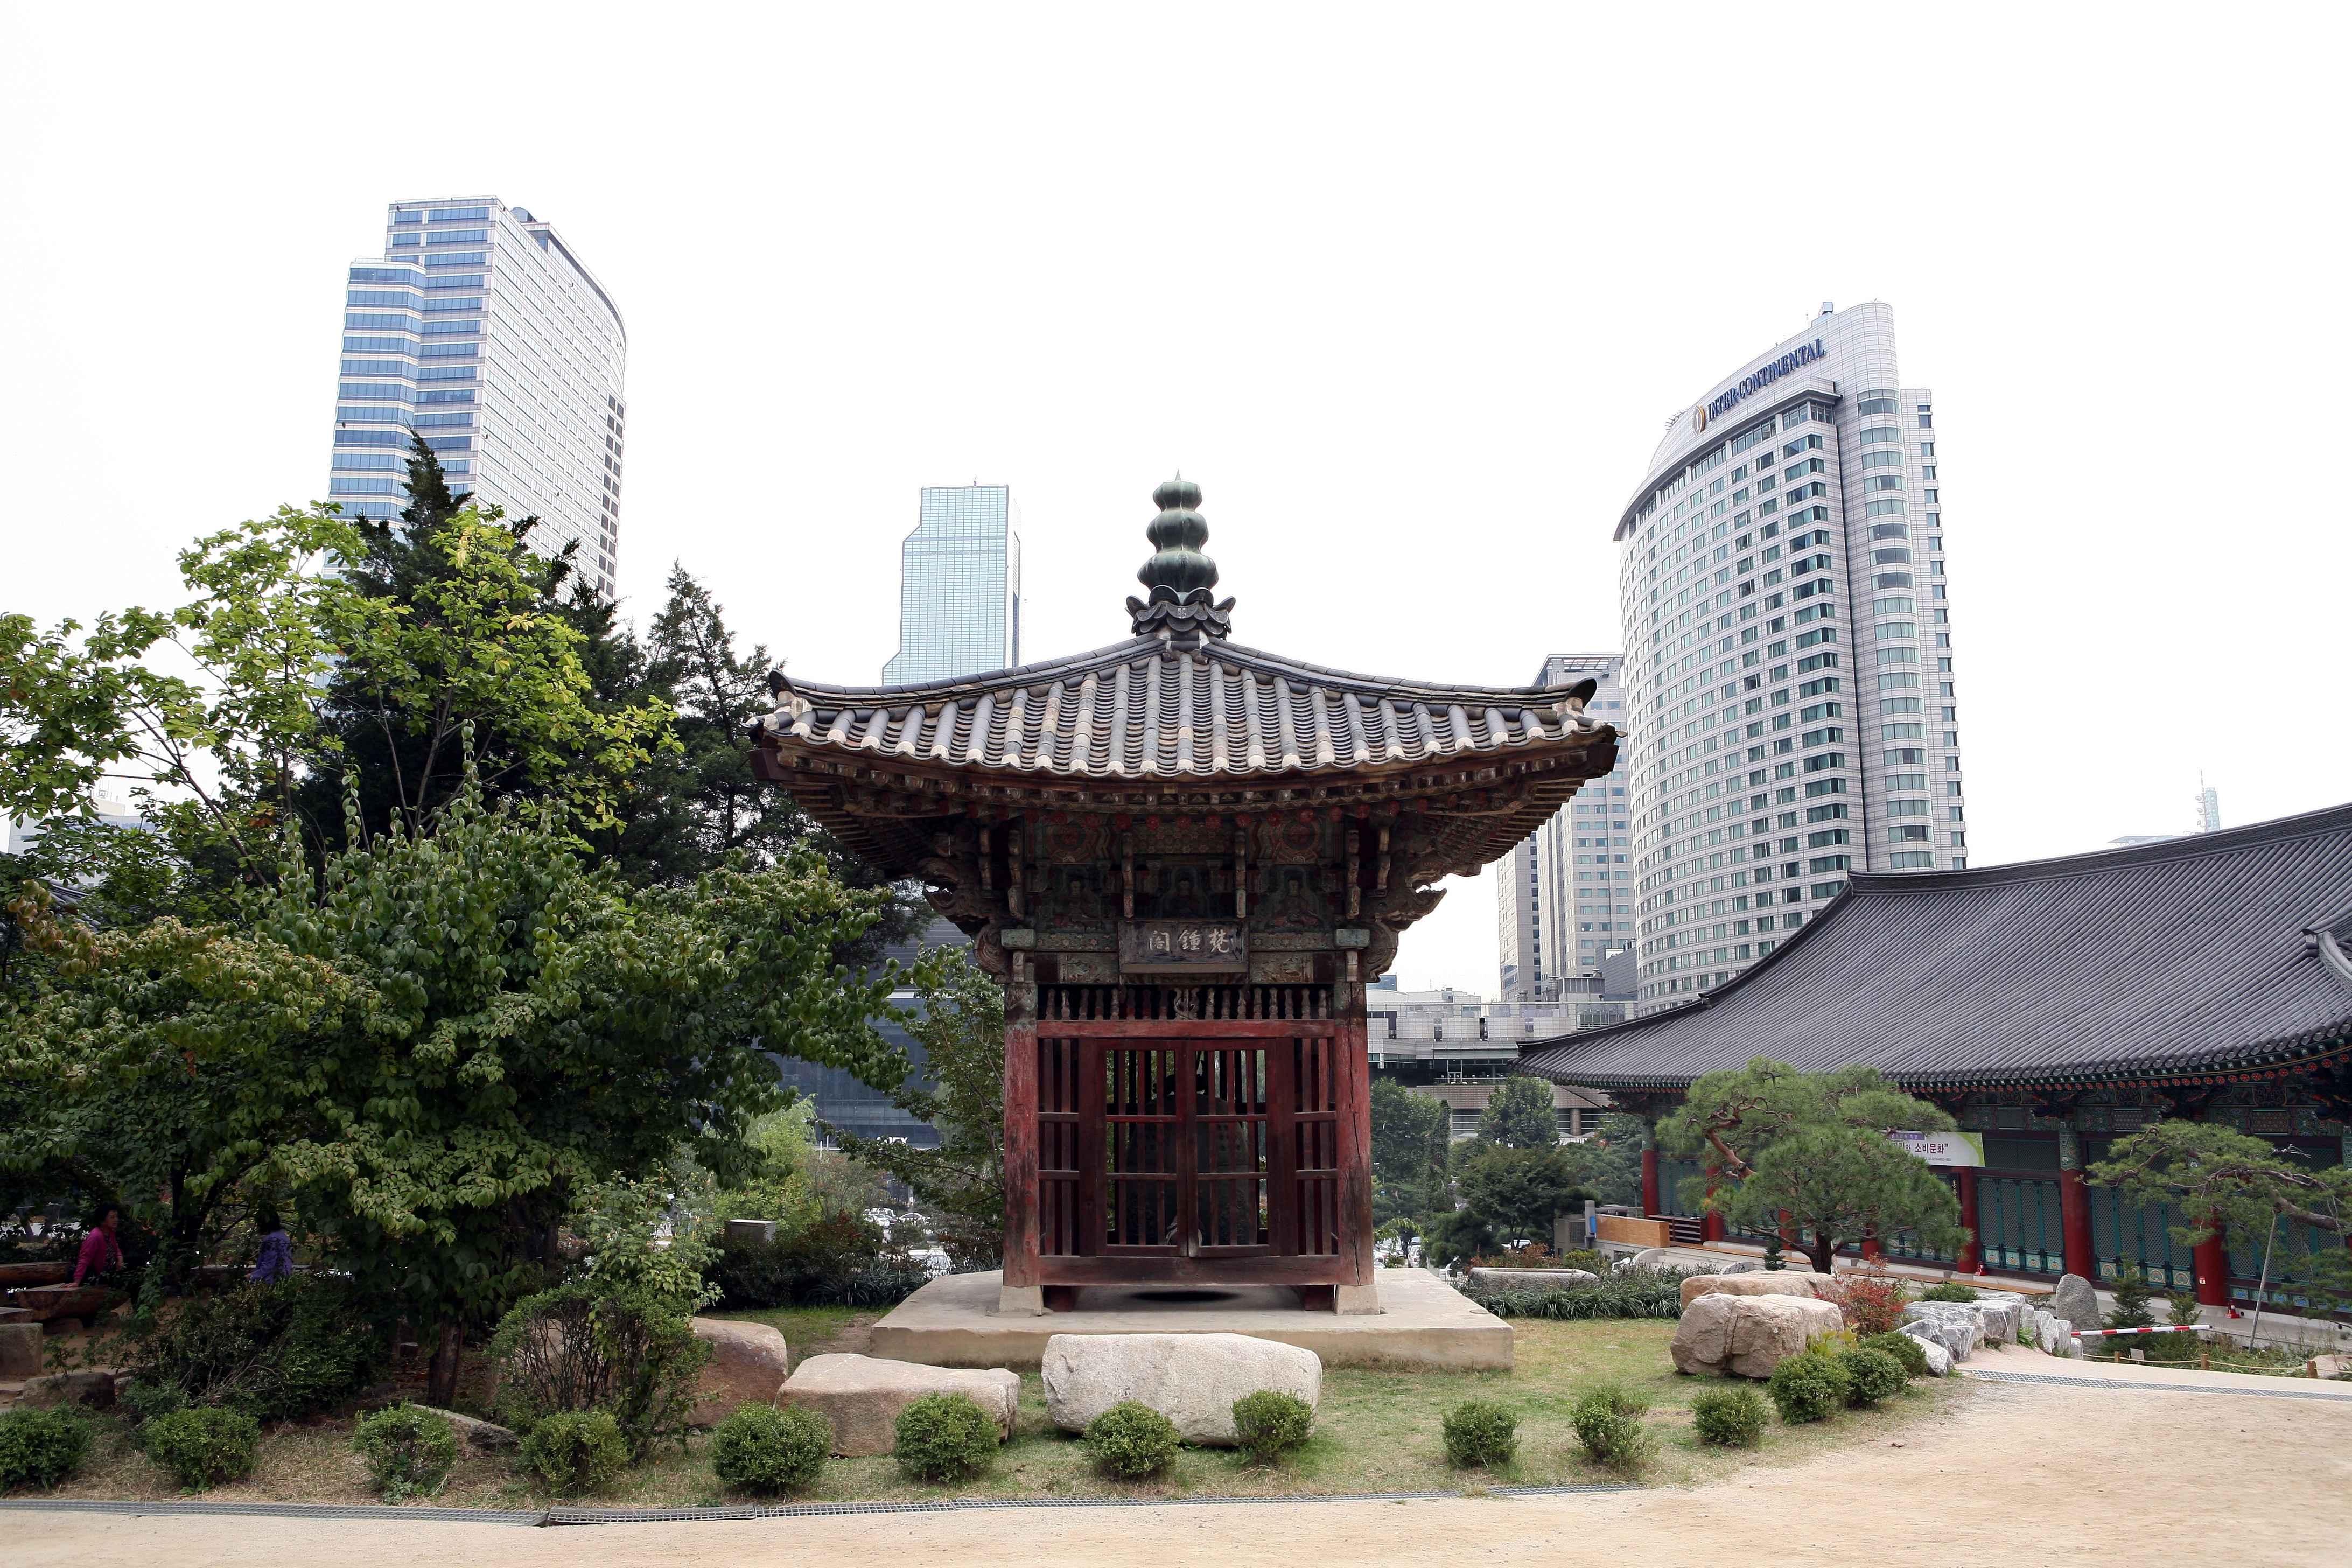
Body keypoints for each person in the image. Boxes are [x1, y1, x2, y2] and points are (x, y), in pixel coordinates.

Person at [70, 1206, 123, 1286]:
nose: (116, 1220)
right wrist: (76, 1282)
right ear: (103, 1221)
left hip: (111, 1272)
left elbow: (116, 1248)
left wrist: (120, 1260)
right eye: (112, 1217)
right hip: (97, 1276)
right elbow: (85, 1259)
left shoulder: (110, 1233)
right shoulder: (95, 1236)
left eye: (116, 1217)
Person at [248, 1206, 293, 1283]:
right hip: (284, 1279)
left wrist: (253, 1276)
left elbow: (269, 1265)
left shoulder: (272, 1240)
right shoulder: (283, 1237)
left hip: (272, 1281)